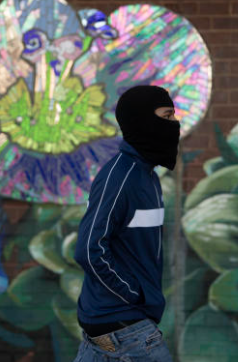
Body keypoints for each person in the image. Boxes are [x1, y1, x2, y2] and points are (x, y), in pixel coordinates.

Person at [73, 85, 180, 362]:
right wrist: (133, 294)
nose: (174, 125)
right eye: (166, 117)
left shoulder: (147, 177)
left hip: (119, 330)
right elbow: (88, 249)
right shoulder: (121, 177)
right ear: (142, 120)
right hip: (126, 332)